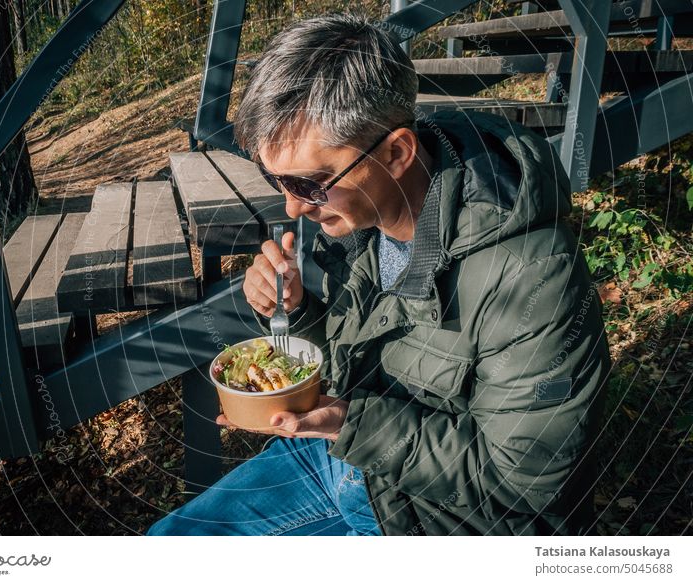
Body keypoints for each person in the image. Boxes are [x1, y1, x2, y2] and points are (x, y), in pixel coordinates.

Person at [145, 12, 611, 536]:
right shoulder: (361, 226)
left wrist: (349, 423)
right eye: (277, 181)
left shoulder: (532, 276)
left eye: (310, 184)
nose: (293, 208)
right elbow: (368, 360)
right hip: (346, 462)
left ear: (397, 152)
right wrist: (294, 315)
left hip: (435, 521)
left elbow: (522, 483)